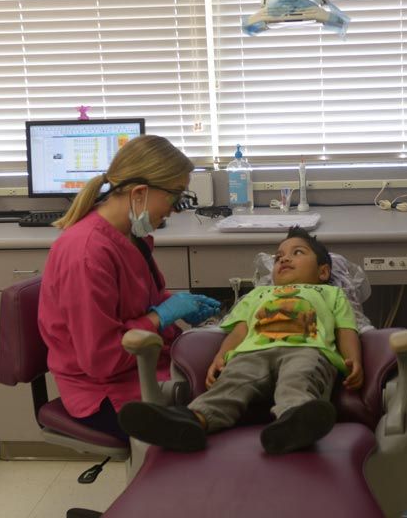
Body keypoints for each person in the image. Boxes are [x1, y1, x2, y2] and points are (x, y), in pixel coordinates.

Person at [38, 135, 220, 442]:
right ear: (139, 193)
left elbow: (138, 300)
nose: (176, 210)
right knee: (220, 422)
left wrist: (174, 304)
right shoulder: (87, 253)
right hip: (108, 393)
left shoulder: (132, 236)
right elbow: (101, 359)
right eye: (174, 197)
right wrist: (161, 316)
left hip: (148, 366)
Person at [118, 226, 363, 454]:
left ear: (323, 271)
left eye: (297, 253)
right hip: (252, 353)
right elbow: (239, 330)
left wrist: (353, 359)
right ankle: (191, 421)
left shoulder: (331, 293)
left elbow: (346, 329)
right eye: (278, 257)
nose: (284, 259)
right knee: (231, 382)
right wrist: (221, 356)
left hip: (307, 349)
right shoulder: (258, 294)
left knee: (300, 378)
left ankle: (294, 424)